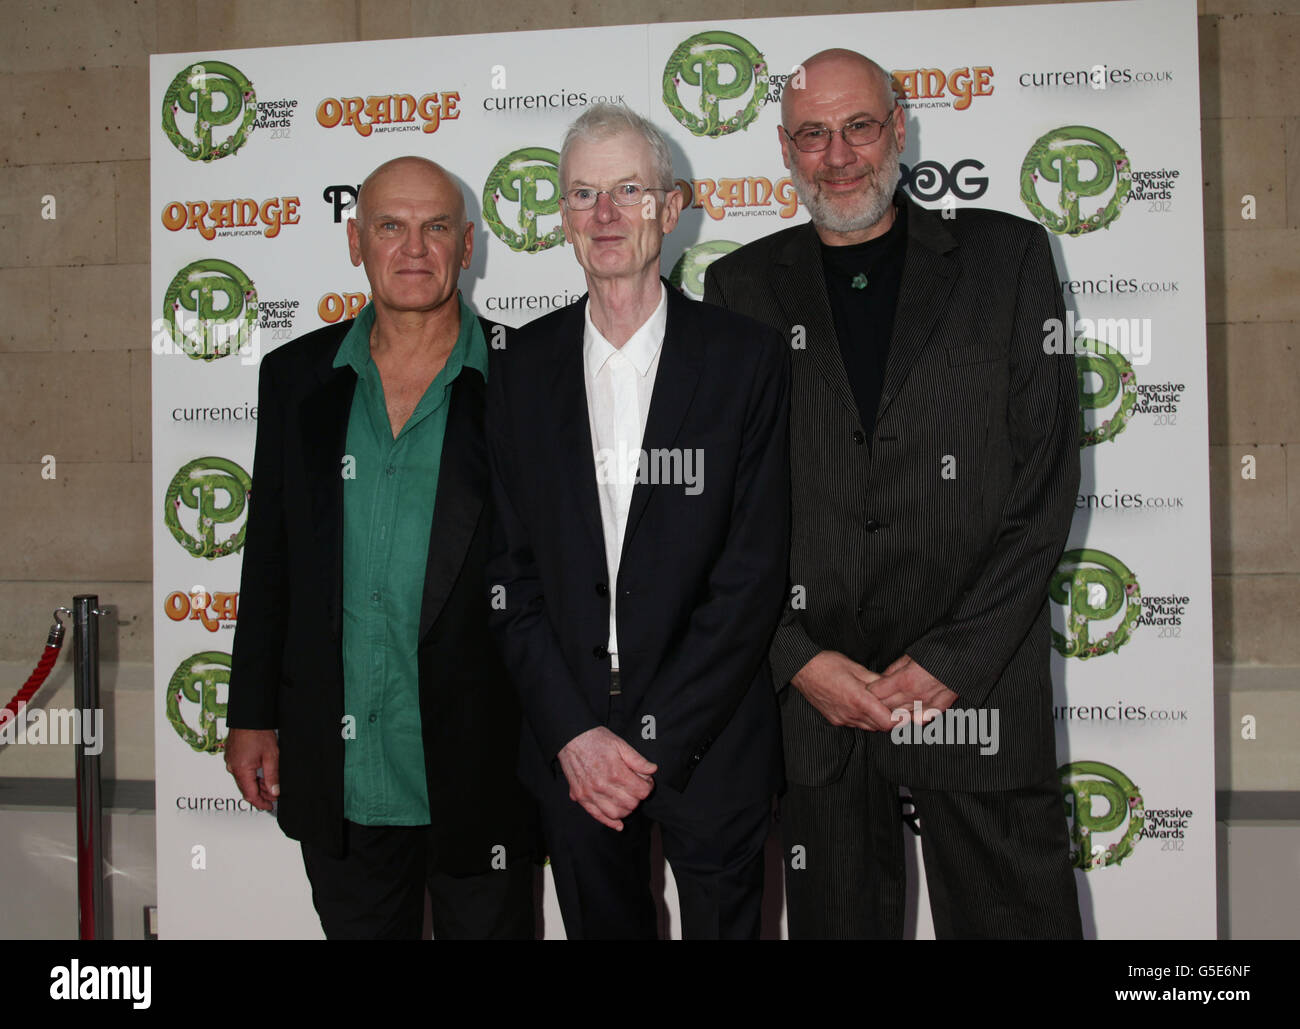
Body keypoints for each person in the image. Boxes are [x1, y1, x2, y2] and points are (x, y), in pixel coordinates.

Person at [704, 49, 1083, 939]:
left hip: (978, 689)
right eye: (812, 135)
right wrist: (794, 657)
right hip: (822, 704)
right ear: (786, 150)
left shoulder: (1008, 257)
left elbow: (1047, 476)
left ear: (900, 129)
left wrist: (958, 655)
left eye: (859, 127)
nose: (838, 156)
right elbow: (721, 511)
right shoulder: (742, 288)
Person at [486, 104, 789, 939]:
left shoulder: (746, 358)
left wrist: (655, 735)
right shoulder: (518, 368)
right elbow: (508, 573)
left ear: (671, 205)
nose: (606, 215)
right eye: (583, 194)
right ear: (561, 217)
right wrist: (575, 735)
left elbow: (752, 571)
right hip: (572, 747)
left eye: (628, 190)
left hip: (712, 737)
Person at [225, 156, 538, 939]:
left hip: (485, 763)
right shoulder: (294, 376)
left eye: (436, 227)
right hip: (342, 766)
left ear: (468, 245)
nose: (414, 248)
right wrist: (251, 713)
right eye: (390, 227)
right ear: (355, 240)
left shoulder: (530, 376)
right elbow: (268, 558)